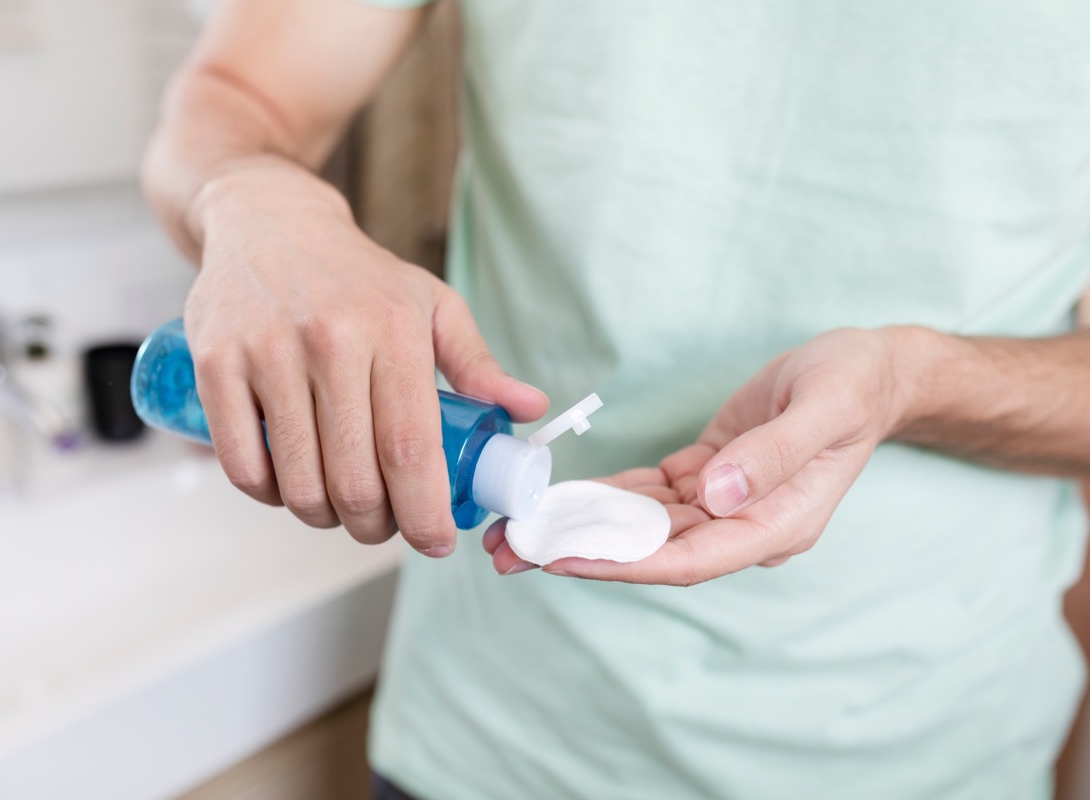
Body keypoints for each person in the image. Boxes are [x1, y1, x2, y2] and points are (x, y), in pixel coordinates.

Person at [143, 1, 1090, 797]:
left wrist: (916, 382)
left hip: (922, 753)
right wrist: (255, 197)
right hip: (490, 742)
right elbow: (237, 97)